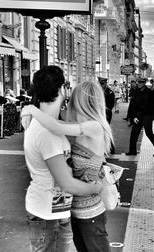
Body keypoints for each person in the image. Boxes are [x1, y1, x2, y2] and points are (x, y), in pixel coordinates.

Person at [21, 66, 103, 252]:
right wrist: (96, 188)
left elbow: (60, 126)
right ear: (61, 90)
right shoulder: (47, 134)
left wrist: (30, 109)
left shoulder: (47, 125)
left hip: (54, 212)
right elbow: (67, 184)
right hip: (49, 216)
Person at [126, 77, 154, 155]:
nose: (139, 84)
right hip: (138, 115)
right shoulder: (136, 92)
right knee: (134, 133)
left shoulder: (150, 92)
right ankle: (132, 151)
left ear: (144, 83)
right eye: (138, 82)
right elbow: (133, 105)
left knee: (148, 132)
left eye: (141, 82)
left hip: (148, 115)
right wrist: (133, 117)